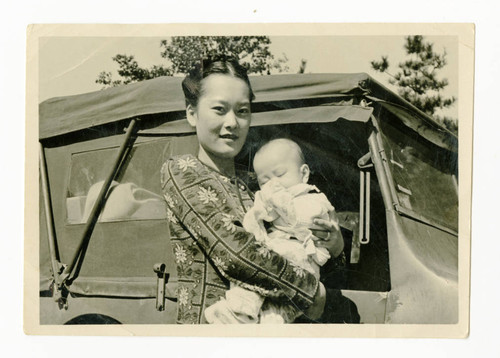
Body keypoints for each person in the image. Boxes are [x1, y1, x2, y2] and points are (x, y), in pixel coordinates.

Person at [160, 58, 356, 324]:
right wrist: (313, 293)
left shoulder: (255, 189)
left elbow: (302, 251)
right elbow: (237, 255)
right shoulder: (182, 170)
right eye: (219, 109)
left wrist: (335, 245)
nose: (232, 122)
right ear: (191, 113)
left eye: (242, 111)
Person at [204, 138, 343, 323]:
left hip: (300, 258)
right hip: (271, 258)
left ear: (304, 174)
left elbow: (305, 220)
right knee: (247, 290)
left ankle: (271, 320)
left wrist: (277, 200)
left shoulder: (313, 198)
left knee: (285, 309)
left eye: (280, 174)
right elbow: (252, 224)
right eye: (265, 181)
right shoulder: (262, 199)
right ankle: (237, 312)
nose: (273, 184)